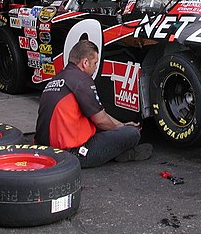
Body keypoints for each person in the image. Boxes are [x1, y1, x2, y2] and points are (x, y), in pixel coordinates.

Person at [35, 40, 152, 168]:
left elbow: (97, 115)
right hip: (71, 154)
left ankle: (119, 151)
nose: (96, 67)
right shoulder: (82, 80)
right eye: (95, 63)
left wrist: (121, 125)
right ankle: (123, 152)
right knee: (132, 133)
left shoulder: (57, 78)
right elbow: (101, 120)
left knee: (109, 126)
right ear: (85, 62)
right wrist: (123, 129)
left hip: (44, 150)